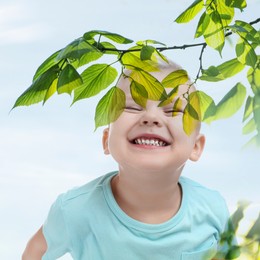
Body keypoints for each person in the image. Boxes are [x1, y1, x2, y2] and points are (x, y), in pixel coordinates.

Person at [22, 60, 230, 260]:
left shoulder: (212, 209)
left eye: (172, 110)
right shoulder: (75, 210)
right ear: (106, 140)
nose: (151, 117)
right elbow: (35, 252)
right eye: (133, 107)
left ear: (196, 147)